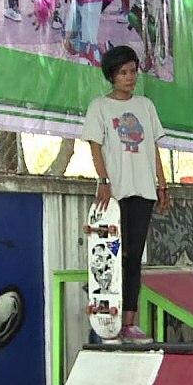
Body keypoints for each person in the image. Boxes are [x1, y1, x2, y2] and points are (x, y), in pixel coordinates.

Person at [81, 45, 171, 343]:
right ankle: (108, 317)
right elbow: (95, 145)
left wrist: (162, 184)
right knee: (112, 256)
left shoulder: (145, 105)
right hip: (114, 193)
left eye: (133, 71)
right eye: (123, 72)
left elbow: (154, 149)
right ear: (111, 76)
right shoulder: (100, 107)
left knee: (133, 256)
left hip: (143, 190)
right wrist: (103, 180)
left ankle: (129, 322)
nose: (130, 77)